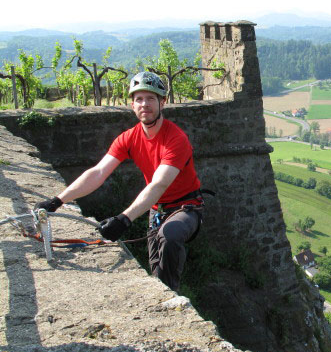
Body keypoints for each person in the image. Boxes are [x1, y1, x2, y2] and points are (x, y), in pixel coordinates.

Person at [34, 71, 204, 291]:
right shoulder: (129, 138)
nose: (145, 104)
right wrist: (57, 201)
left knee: (170, 236)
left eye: (151, 98)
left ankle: (173, 297)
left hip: (186, 207)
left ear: (163, 102)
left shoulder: (175, 139)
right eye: (139, 99)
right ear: (132, 105)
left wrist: (124, 219)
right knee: (156, 266)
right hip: (157, 209)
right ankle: (162, 293)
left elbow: (159, 184)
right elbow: (98, 172)